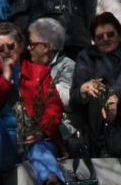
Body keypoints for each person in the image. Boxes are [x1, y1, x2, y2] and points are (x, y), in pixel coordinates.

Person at [0, 22, 67, 185]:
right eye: (0, 49)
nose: (6, 52)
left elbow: (54, 106)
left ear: (21, 46)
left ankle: (52, 182)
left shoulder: (40, 72)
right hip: (6, 146)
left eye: (11, 46)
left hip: (36, 140)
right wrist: (5, 77)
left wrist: (41, 131)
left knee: (39, 147)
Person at [69, 12, 121, 159]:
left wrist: (113, 97)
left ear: (119, 35)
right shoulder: (85, 57)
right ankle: (102, 148)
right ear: (94, 40)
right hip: (97, 116)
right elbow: (74, 99)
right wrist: (83, 89)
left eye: (110, 34)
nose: (105, 39)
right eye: (100, 37)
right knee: (94, 88)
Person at [28, 17, 82, 155]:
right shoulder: (32, 69)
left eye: (32, 44)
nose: (28, 48)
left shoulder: (67, 66)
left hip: (65, 135)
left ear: (45, 47)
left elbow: (68, 99)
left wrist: (38, 85)